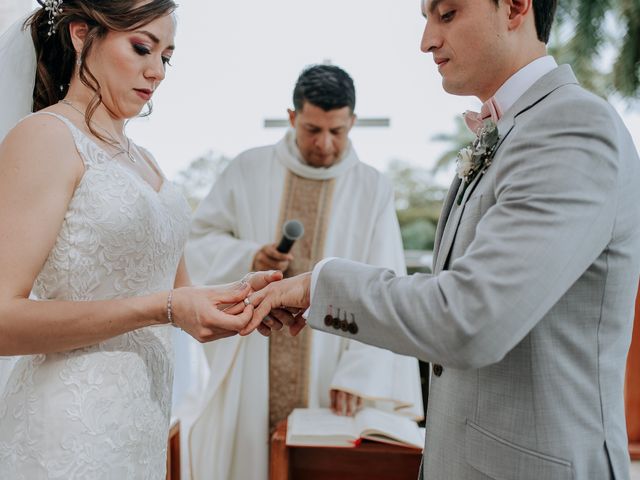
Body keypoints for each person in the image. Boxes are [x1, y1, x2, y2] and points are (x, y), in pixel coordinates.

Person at [247, 1, 640, 479]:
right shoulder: (513, 129)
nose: (427, 40)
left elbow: (471, 317)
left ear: (515, 7)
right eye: (426, 18)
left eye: (447, 14)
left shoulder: (570, 125)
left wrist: (318, 286)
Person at [0, 2, 277, 478]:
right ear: (82, 35)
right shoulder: (46, 137)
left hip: (139, 426)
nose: (157, 72)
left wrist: (250, 297)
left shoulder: (146, 161)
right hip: (66, 431)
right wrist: (161, 308)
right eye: (142, 47)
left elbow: (179, 295)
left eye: (166, 57)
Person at [184, 64, 423, 479]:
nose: (325, 144)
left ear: (352, 121)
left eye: (338, 131)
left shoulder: (373, 188)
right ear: (293, 117)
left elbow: (387, 282)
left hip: (335, 364)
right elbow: (197, 244)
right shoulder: (247, 168)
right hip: (252, 359)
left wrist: (361, 374)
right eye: (313, 129)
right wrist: (250, 257)